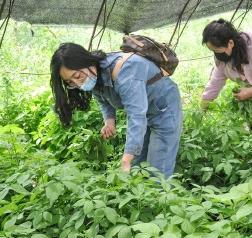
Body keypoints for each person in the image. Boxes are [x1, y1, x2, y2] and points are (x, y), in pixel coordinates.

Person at [50, 43, 183, 178]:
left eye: (77, 76)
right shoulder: (94, 74)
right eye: (70, 82)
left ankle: (162, 196)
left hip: (164, 110)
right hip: (145, 111)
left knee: (157, 171)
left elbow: (136, 115)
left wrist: (126, 158)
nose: (77, 84)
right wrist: (109, 122)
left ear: (86, 62)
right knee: (137, 166)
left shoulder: (125, 72)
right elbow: (103, 99)